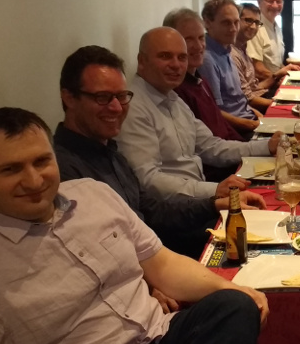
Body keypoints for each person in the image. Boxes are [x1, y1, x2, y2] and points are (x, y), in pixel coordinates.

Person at [0, 107, 268, 344]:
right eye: (11, 169)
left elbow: (163, 264)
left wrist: (232, 289)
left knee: (233, 306)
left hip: (160, 337)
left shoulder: (93, 194)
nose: (34, 180)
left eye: (41, 161)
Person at [54, 45, 244, 259]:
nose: (117, 107)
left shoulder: (109, 150)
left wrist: (213, 204)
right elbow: (104, 255)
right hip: (144, 265)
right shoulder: (63, 171)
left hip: (156, 249)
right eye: (103, 97)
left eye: (121, 96)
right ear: (69, 98)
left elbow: (151, 208)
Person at [118, 26, 281, 200]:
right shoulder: (133, 107)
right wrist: (215, 190)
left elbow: (211, 147)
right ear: (142, 61)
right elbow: (147, 180)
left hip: (198, 196)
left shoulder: (172, 98)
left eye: (182, 57)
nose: (176, 65)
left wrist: (267, 146)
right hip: (176, 207)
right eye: (165, 56)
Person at [163, 7, 247, 148]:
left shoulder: (200, 80)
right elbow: (207, 148)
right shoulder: (177, 91)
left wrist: (249, 146)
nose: (198, 46)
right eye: (188, 39)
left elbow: (222, 125)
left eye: (201, 38)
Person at [200, 0, 263, 138]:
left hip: (249, 119)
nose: (233, 29)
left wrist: (258, 115)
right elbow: (214, 112)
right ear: (207, 23)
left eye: (236, 22)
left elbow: (239, 101)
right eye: (226, 23)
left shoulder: (226, 50)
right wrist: (252, 124)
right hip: (236, 131)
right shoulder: (207, 59)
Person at [232, 3, 283, 110]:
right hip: (252, 107)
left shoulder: (243, 49)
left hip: (261, 96)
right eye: (248, 21)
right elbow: (248, 99)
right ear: (236, 21)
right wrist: (281, 104)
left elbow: (255, 87)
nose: (253, 26)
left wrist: (277, 75)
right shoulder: (232, 54)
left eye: (256, 22)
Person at [248, 0, 287, 79]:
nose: (275, 5)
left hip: (275, 81)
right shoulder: (254, 28)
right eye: (270, 1)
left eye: (279, 1)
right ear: (259, 2)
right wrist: (278, 78)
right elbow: (257, 68)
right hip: (263, 85)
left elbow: (276, 65)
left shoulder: (276, 27)